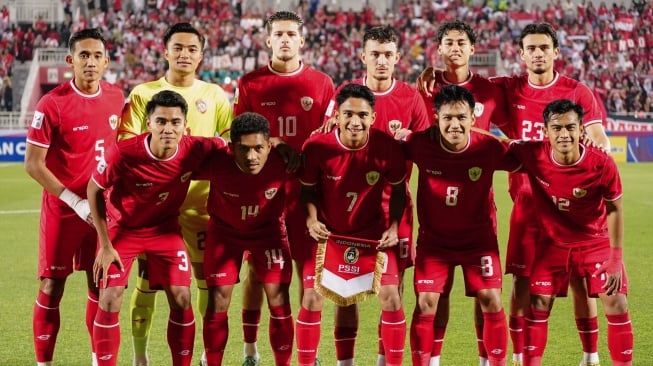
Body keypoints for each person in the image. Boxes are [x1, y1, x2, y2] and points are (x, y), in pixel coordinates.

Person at [420, 22, 610, 366]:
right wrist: (437, 71)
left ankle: (591, 355)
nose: (538, 54)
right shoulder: (506, 89)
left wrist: (597, 146)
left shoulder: (577, 91)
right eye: (531, 49)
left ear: (556, 52)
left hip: (574, 207)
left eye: (544, 48)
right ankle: (521, 357)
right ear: (521, 55)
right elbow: (462, 89)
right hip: (527, 202)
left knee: (583, 282)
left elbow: (597, 134)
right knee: (521, 283)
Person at [118, 22, 233, 366]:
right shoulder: (142, 93)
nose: (184, 54)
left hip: (200, 208)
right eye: (178, 48)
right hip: (152, 212)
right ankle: (140, 356)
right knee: (148, 284)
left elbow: (229, 146)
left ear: (201, 55)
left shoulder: (215, 95)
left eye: (191, 49)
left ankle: (201, 353)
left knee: (202, 284)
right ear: (165, 51)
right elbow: (126, 147)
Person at [88, 90, 227, 366]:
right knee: (110, 298)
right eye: (161, 121)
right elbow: (94, 188)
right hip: (123, 231)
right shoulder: (124, 153)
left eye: (175, 122)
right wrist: (105, 245)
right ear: (148, 124)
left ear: (184, 126)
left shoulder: (195, 148)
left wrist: (275, 143)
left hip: (164, 231)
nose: (168, 128)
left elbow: (232, 144)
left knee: (182, 296)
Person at [232, 10, 335, 365]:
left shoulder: (322, 84)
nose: (286, 39)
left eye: (292, 33)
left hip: (308, 198)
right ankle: (250, 352)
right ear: (268, 40)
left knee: (312, 281)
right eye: (279, 34)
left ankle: (308, 355)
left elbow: (330, 140)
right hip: (263, 198)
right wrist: (273, 141)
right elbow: (237, 139)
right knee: (258, 278)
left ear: (302, 40)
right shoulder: (250, 83)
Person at [24, 28, 124, 366]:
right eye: (84, 55)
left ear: (107, 61)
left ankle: (98, 359)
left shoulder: (116, 97)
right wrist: (73, 200)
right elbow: (33, 165)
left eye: (97, 56)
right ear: (71, 60)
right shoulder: (51, 104)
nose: (91, 62)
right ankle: (44, 364)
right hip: (64, 210)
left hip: (101, 211)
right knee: (52, 287)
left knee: (100, 287)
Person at [333, 24, 430, 366]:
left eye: (388, 55)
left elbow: (429, 151)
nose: (381, 61)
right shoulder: (346, 94)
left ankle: (382, 360)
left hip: (395, 211)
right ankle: (346, 362)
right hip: (350, 211)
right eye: (374, 54)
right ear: (363, 56)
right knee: (346, 295)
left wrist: (411, 141)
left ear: (397, 58)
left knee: (392, 291)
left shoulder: (411, 98)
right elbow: (331, 145)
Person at [508, 99, 633, 366]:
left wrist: (615, 258)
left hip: (594, 241)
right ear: (545, 131)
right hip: (552, 244)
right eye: (557, 128)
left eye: (570, 127)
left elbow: (614, 209)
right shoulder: (531, 153)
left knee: (617, 303)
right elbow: (485, 153)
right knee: (538, 304)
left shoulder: (602, 163)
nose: (564, 134)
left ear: (581, 131)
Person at [418, 20, 510, 366]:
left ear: (473, 49)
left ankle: (488, 358)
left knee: (485, 292)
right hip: (436, 206)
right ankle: (433, 359)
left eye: (462, 42)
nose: (455, 48)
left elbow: (515, 139)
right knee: (433, 296)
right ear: (438, 49)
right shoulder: (425, 86)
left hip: (478, 208)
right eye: (448, 43)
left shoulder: (490, 89)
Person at [405, 85, 517, 366]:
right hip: (434, 242)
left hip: (478, 240)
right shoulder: (419, 144)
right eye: (447, 118)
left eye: (461, 118)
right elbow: (381, 148)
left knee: (491, 298)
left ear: (472, 118)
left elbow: (533, 160)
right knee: (426, 302)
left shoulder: (490, 147)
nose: (454, 125)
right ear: (436, 118)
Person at [297, 84, 407, 366]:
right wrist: (311, 219)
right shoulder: (317, 147)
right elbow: (307, 191)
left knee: (391, 297)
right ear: (336, 116)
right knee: (313, 299)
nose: (354, 121)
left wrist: (394, 226)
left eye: (362, 115)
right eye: (348, 114)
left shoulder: (388, 148)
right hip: (328, 235)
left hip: (371, 235)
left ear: (373, 117)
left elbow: (398, 191)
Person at [197, 112, 295, 366]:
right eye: (244, 149)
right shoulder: (216, 161)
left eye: (258, 148)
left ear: (269, 145)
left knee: (278, 297)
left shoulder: (283, 160)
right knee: (218, 298)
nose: (252, 157)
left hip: (268, 232)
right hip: (225, 233)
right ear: (232, 148)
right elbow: (176, 166)